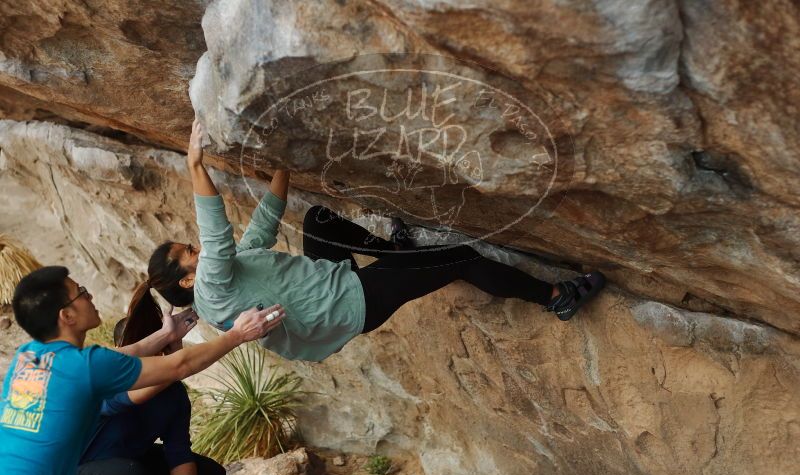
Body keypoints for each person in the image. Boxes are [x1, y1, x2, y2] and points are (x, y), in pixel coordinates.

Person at [138, 120, 604, 363]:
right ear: (185, 282)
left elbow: (262, 225)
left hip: (332, 284)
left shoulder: (223, 273)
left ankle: (395, 253)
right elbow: (218, 240)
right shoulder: (211, 290)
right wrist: (195, 166)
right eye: (189, 254)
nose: (198, 251)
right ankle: (556, 297)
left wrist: (284, 164)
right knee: (460, 257)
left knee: (318, 219)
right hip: (348, 305)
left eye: (190, 246)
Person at [0, 266, 285, 475]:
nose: (90, 295)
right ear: (67, 315)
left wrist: (164, 335)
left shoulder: (30, 357)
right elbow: (178, 366)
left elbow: (130, 352)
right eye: (82, 292)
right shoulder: (85, 369)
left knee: (186, 471)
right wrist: (237, 334)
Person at [64, 283, 227, 475]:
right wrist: (174, 362)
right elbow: (136, 395)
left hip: (123, 470)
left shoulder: (173, 396)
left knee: (207, 473)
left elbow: (179, 456)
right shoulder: (105, 379)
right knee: (128, 474)